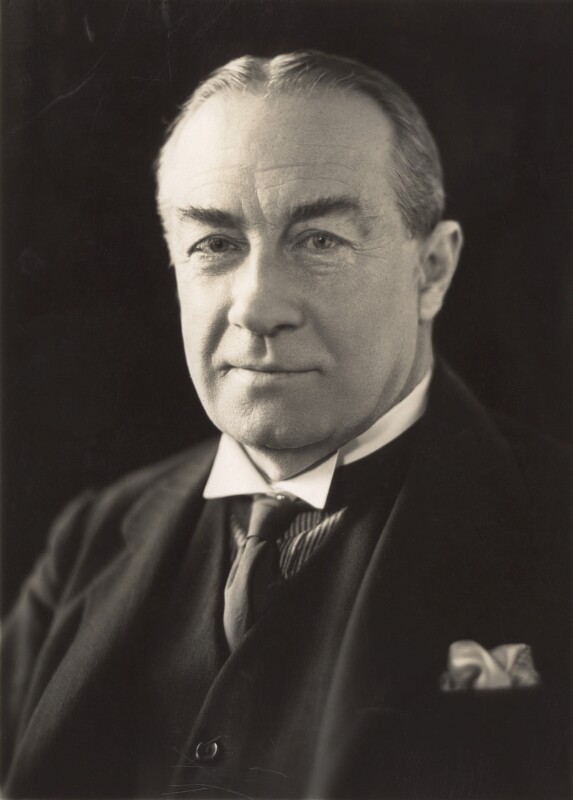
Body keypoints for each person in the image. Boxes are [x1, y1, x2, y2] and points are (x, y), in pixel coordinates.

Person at [1, 51, 571, 799]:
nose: (257, 306)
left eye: (319, 241)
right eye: (215, 245)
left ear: (431, 270)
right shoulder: (92, 540)